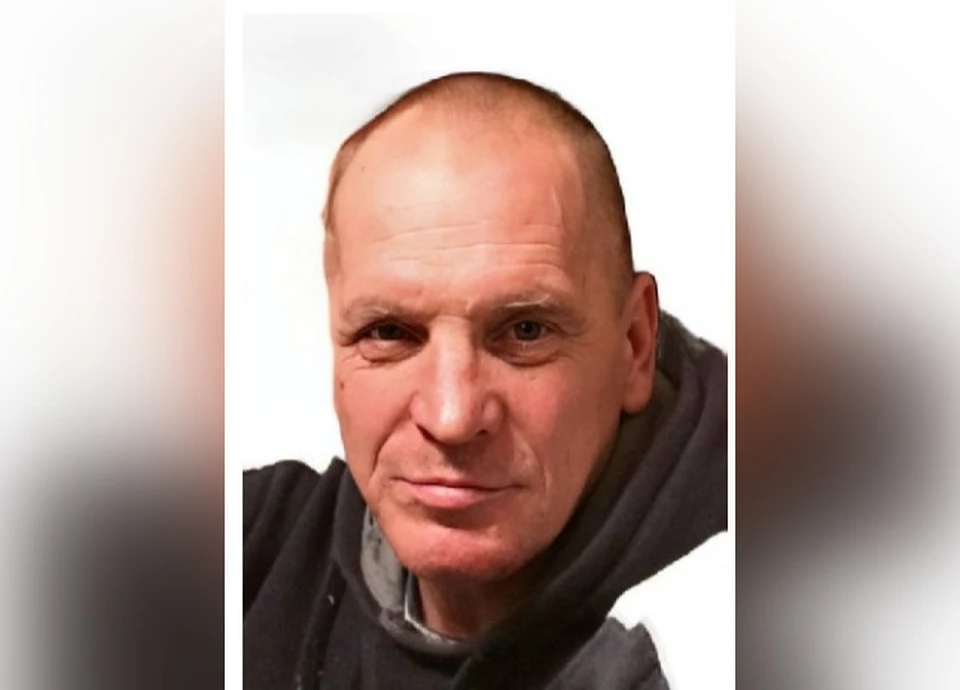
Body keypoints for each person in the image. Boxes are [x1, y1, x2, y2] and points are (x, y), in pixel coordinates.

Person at [244, 71, 727, 689]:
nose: (451, 416)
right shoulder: (254, 557)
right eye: (388, 332)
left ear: (635, 345)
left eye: (525, 331)